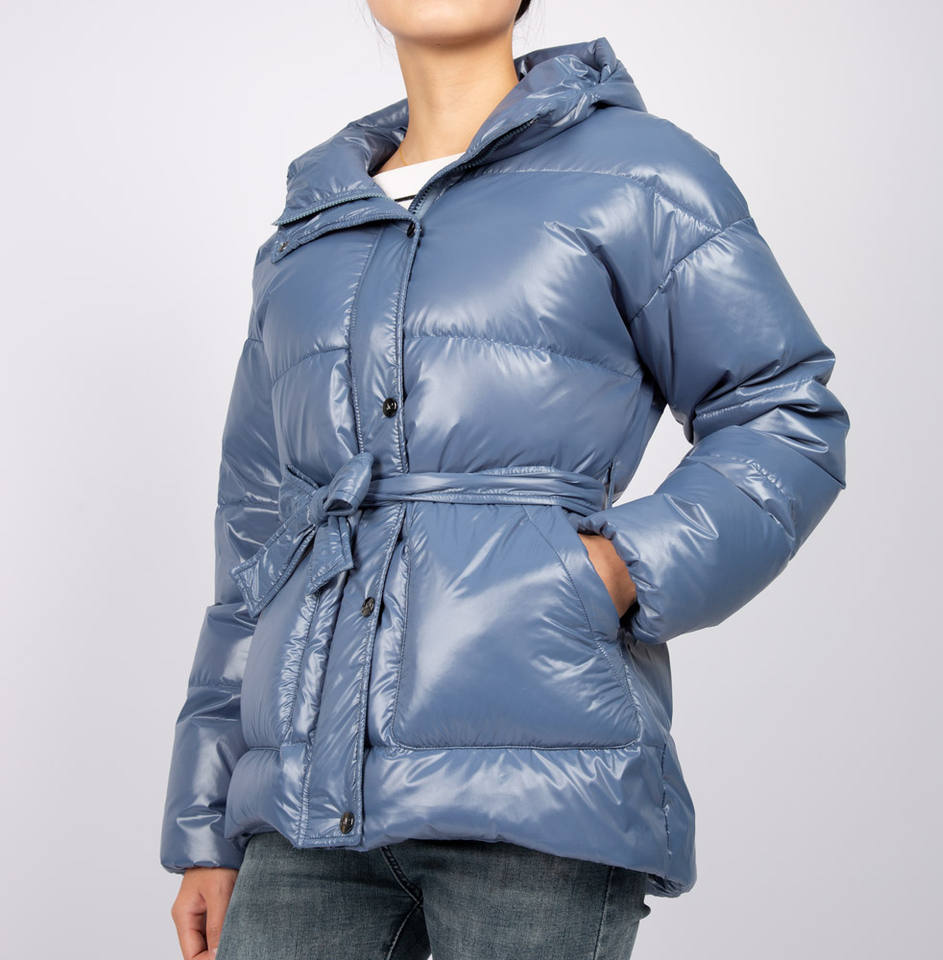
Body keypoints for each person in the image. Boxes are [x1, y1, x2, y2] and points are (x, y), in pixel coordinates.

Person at [162, 2, 850, 958]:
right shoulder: (306, 231)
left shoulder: (642, 172)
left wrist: (615, 570)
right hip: (303, 810)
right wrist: (206, 827)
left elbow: (783, 413)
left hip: (543, 792)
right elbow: (256, 535)